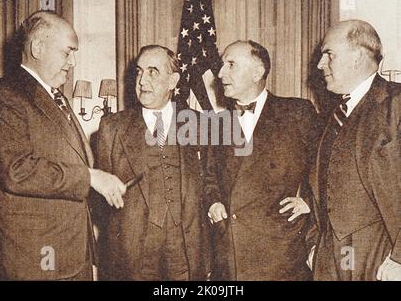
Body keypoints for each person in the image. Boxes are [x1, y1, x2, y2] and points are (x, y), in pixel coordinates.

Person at [0, 11, 126, 281]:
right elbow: (17, 170)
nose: (73, 62)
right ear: (37, 47)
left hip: (72, 254)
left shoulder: (58, 98)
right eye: (68, 52)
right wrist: (90, 177)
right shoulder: (6, 95)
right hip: (35, 261)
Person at [203, 40, 318, 280]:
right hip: (231, 254)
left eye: (231, 64)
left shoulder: (297, 112)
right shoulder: (218, 124)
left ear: (258, 72)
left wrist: (308, 201)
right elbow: (210, 177)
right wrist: (213, 202)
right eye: (223, 65)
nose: (221, 72)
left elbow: (326, 165)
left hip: (281, 253)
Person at [95, 45, 211, 280]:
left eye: (152, 72)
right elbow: (100, 201)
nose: (142, 81)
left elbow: (211, 182)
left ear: (173, 81)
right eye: (139, 72)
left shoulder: (200, 125)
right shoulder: (112, 127)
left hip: (187, 250)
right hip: (132, 253)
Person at [308, 19, 401, 281]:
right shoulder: (333, 115)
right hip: (330, 255)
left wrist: (399, 258)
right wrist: (314, 244)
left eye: (329, 54)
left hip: (382, 254)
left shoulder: (396, 104)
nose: (320, 65)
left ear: (357, 57)